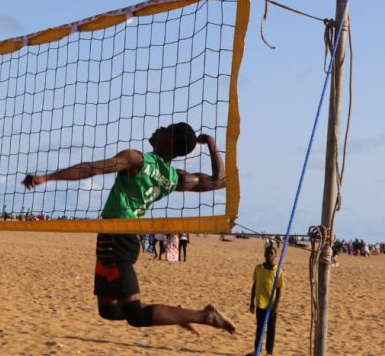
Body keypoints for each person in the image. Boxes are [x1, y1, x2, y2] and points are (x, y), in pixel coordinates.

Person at [22, 123, 235, 335]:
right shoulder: (174, 177)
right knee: (109, 311)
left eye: (165, 129)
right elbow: (221, 181)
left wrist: (47, 177)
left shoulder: (136, 160)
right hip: (111, 237)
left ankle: (206, 316)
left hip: (120, 238)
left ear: (169, 140)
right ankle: (172, 314)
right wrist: (210, 143)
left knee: (135, 316)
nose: (158, 127)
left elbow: (91, 169)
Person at [248, 245, 284, 356]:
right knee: (260, 328)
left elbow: (279, 289)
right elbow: (254, 285)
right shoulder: (259, 268)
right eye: (266, 253)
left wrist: (276, 306)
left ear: (275, 256)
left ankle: (269, 352)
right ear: (264, 255)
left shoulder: (277, 271)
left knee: (271, 329)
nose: (268, 256)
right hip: (260, 304)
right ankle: (257, 350)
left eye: (271, 254)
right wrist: (252, 302)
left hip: (271, 306)